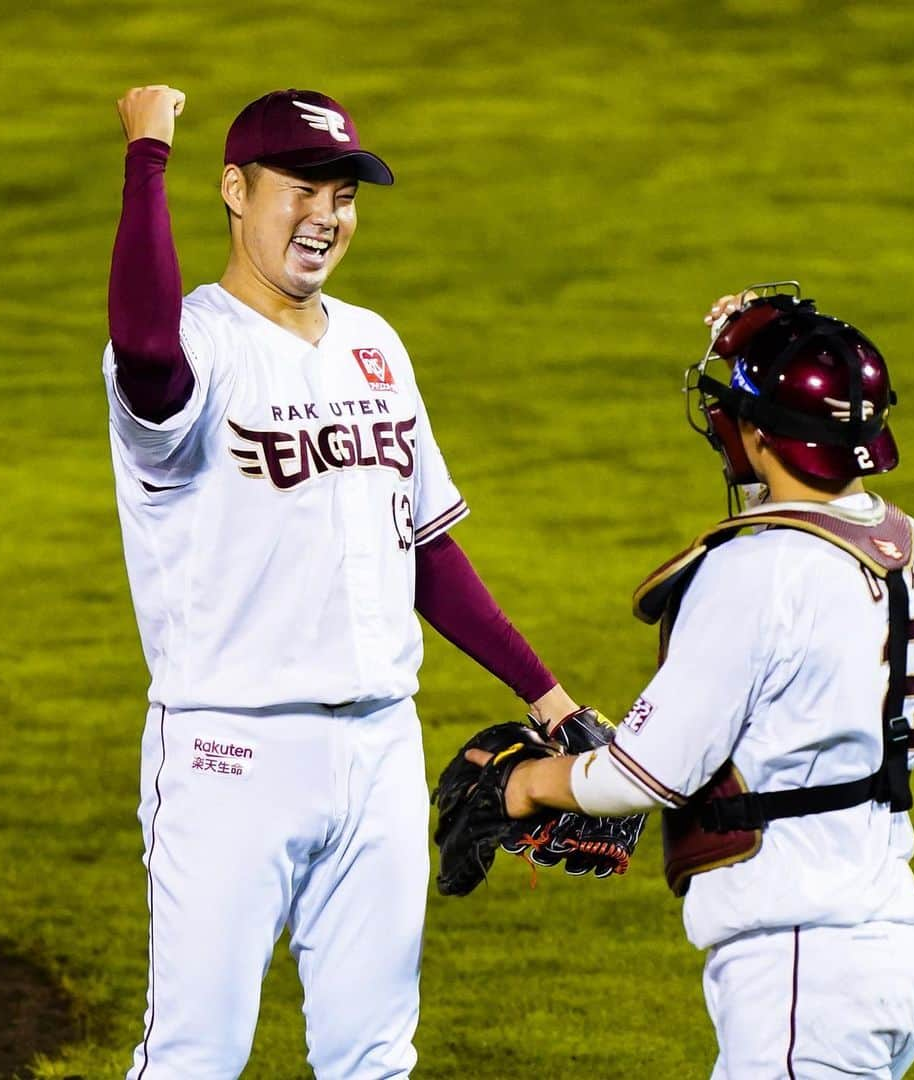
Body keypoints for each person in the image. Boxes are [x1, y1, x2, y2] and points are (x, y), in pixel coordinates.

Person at [104, 84, 588, 1079]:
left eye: (346, 194)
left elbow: (426, 552)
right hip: (229, 753)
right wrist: (147, 155)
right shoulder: (194, 346)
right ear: (235, 190)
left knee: (373, 1057)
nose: (326, 215)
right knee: (195, 1054)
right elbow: (144, 349)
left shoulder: (376, 345)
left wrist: (547, 695)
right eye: (302, 188)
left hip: (377, 751)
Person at [472, 287, 914, 1078]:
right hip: (890, 941)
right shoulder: (908, 545)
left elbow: (648, 771)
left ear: (759, 435)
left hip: (801, 964)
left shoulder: (756, 570)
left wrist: (526, 784)